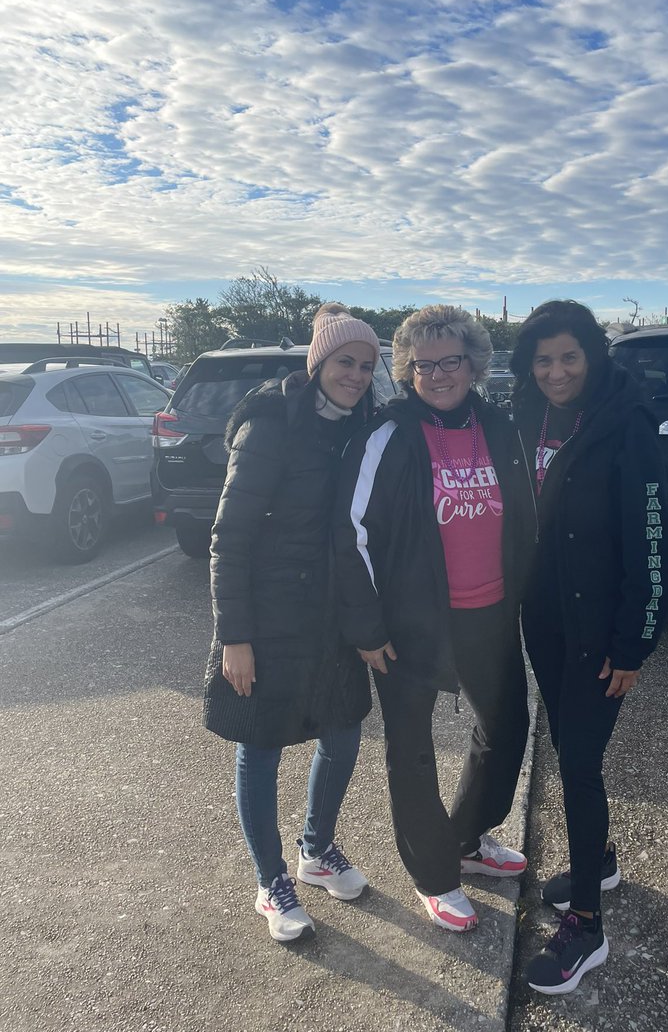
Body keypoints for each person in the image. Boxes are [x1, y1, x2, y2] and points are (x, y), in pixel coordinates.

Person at [332, 305, 533, 932]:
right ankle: (433, 873)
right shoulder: (386, 435)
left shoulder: (499, 427)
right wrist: (367, 628)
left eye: (451, 360)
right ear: (408, 370)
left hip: (491, 611)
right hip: (408, 626)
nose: (439, 374)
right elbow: (351, 532)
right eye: (424, 365)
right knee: (412, 752)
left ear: (474, 362)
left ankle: (467, 839)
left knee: (505, 731)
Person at [203, 303, 382, 942]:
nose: (356, 375)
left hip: (330, 619)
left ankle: (317, 850)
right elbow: (229, 536)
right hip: (269, 617)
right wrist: (235, 637)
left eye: (366, 365)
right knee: (262, 744)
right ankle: (270, 880)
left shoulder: (357, 428)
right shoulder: (271, 423)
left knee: (343, 731)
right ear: (318, 363)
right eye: (344, 362)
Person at [509, 299, 668, 995]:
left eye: (569, 357)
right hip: (543, 620)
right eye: (543, 359)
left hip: (600, 630)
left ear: (593, 356)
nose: (556, 371)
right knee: (572, 751)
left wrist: (634, 643)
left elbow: (654, 543)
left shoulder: (626, 425)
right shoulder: (526, 415)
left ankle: (586, 924)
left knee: (578, 762)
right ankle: (595, 856)